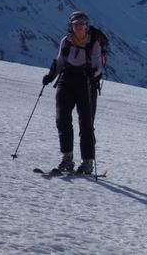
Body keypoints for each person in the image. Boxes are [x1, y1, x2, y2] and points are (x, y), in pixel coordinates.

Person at [42, 11, 103, 174]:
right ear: (71, 26)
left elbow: (99, 67)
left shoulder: (94, 43)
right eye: (75, 24)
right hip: (67, 81)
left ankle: (87, 162)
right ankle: (67, 158)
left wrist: (93, 74)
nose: (78, 27)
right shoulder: (66, 41)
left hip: (86, 85)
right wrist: (51, 75)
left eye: (81, 24)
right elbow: (60, 60)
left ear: (86, 26)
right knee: (62, 119)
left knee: (86, 124)